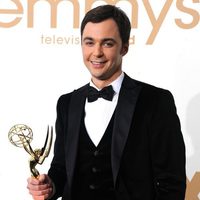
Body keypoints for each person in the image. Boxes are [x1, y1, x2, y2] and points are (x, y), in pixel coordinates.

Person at [27, 4, 186, 200]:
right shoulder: (67, 103)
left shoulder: (155, 102)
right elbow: (61, 168)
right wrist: (49, 186)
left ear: (124, 47)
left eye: (107, 43)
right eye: (89, 42)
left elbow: (172, 184)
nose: (97, 52)